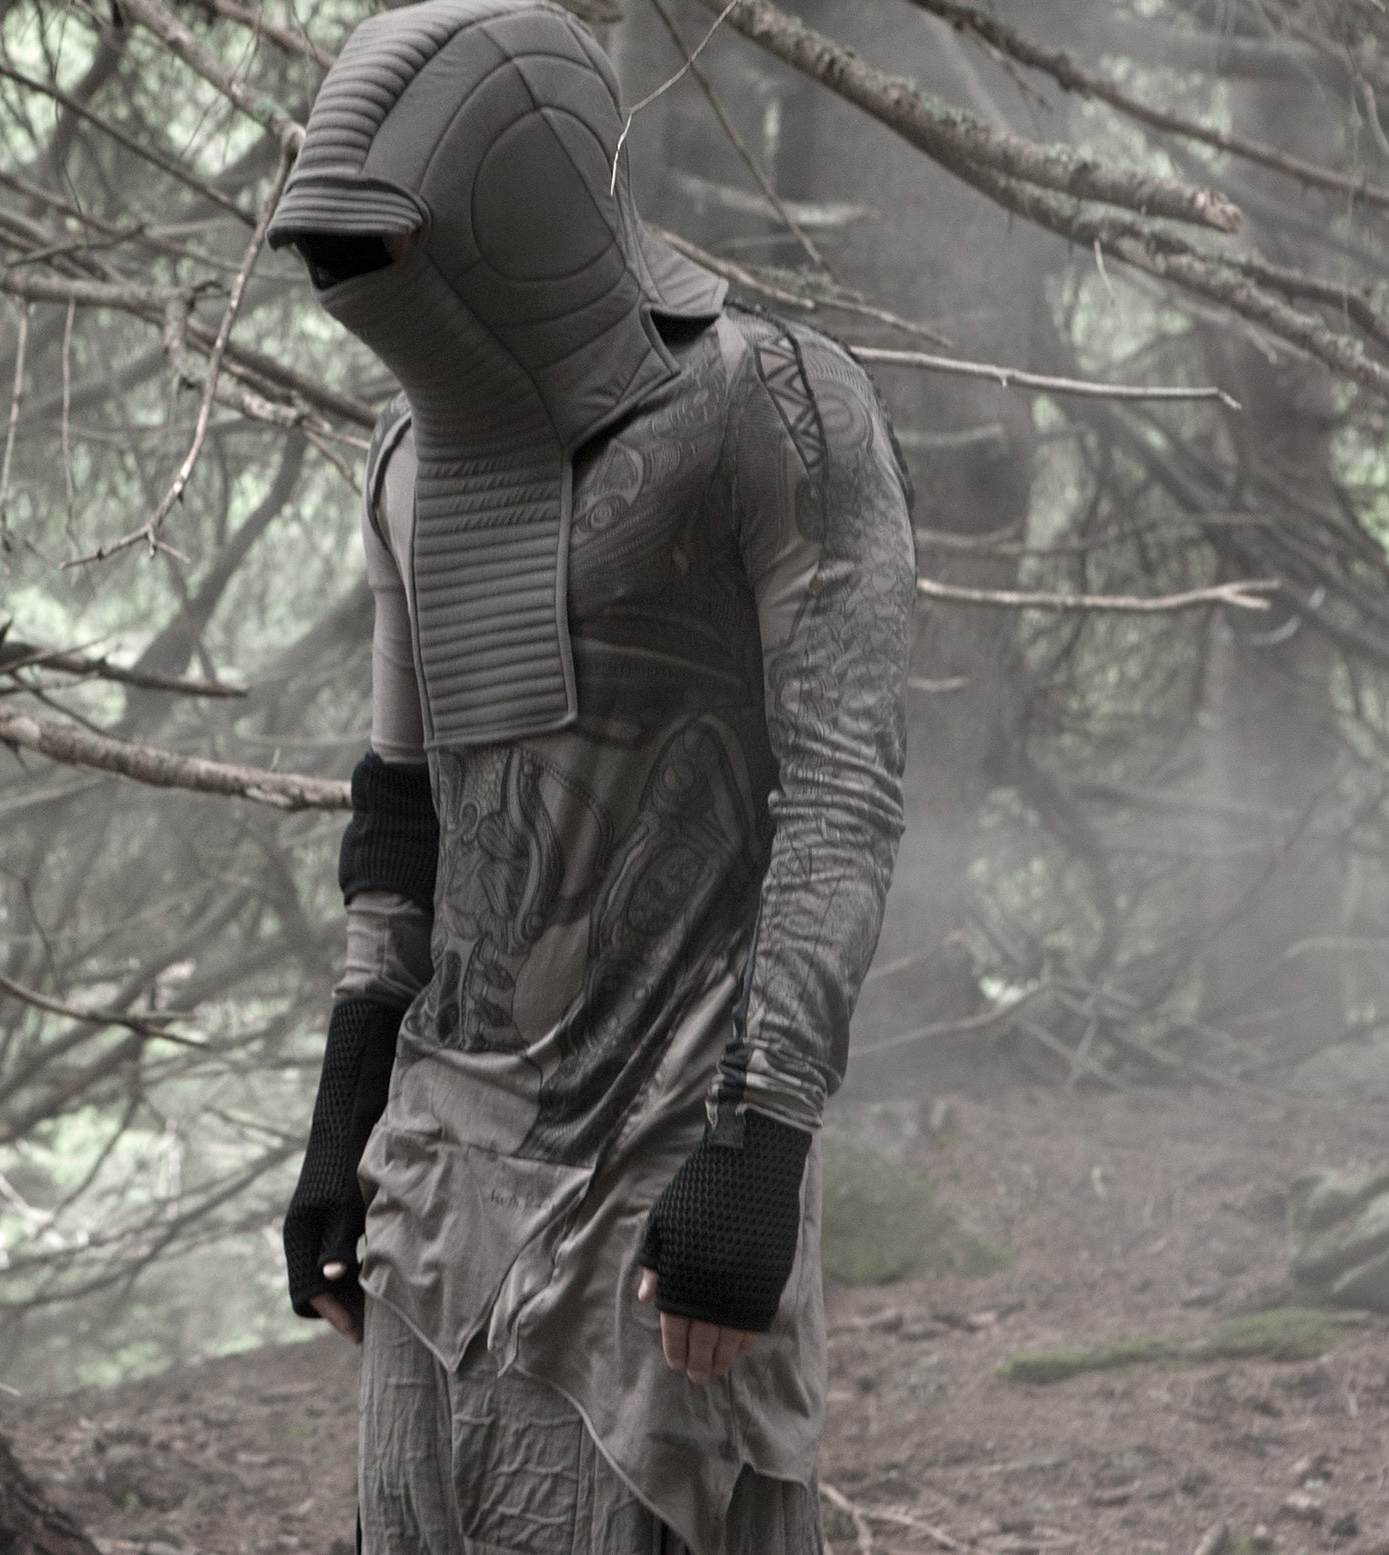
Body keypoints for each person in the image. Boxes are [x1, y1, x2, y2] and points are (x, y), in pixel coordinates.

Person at [270, 3, 916, 1552]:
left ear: (521, 211)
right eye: (347, 259)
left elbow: (840, 798)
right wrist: (341, 1119)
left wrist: (757, 1143)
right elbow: (402, 811)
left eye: (400, 247)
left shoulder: (774, 405)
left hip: (662, 1158)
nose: (377, 294)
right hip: (434, 1176)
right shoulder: (409, 460)